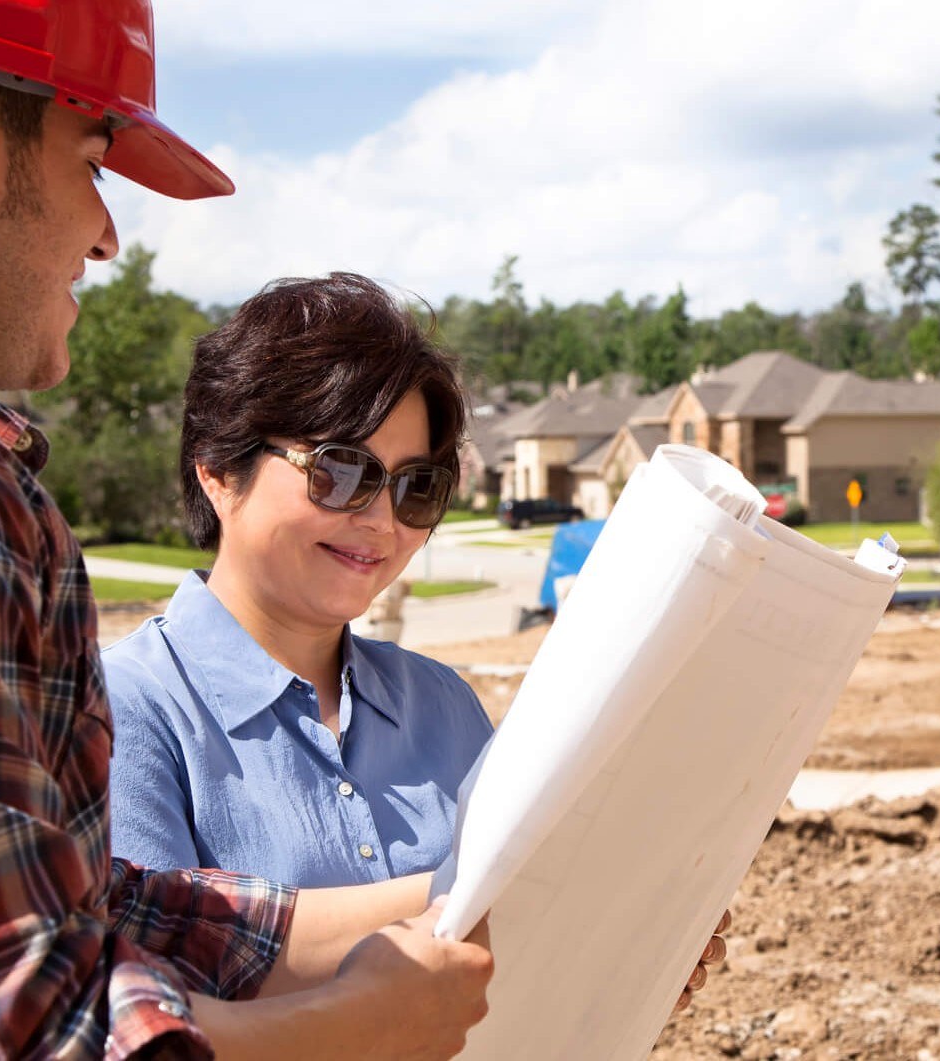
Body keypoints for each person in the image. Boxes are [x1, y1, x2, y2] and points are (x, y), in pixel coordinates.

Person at [0, 3, 493, 1057]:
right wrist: (361, 1024)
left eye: (416, 487)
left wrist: (491, 902)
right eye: (92, 162)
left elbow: (88, 907)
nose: (106, 235)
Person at [107, 273, 727, 1010]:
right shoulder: (116, 711)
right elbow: (138, 1004)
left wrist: (615, 954)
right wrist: (533, 900)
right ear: (217, 468)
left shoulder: (444, 704)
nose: (381, 520)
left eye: (417, 487)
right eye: (341, 471)